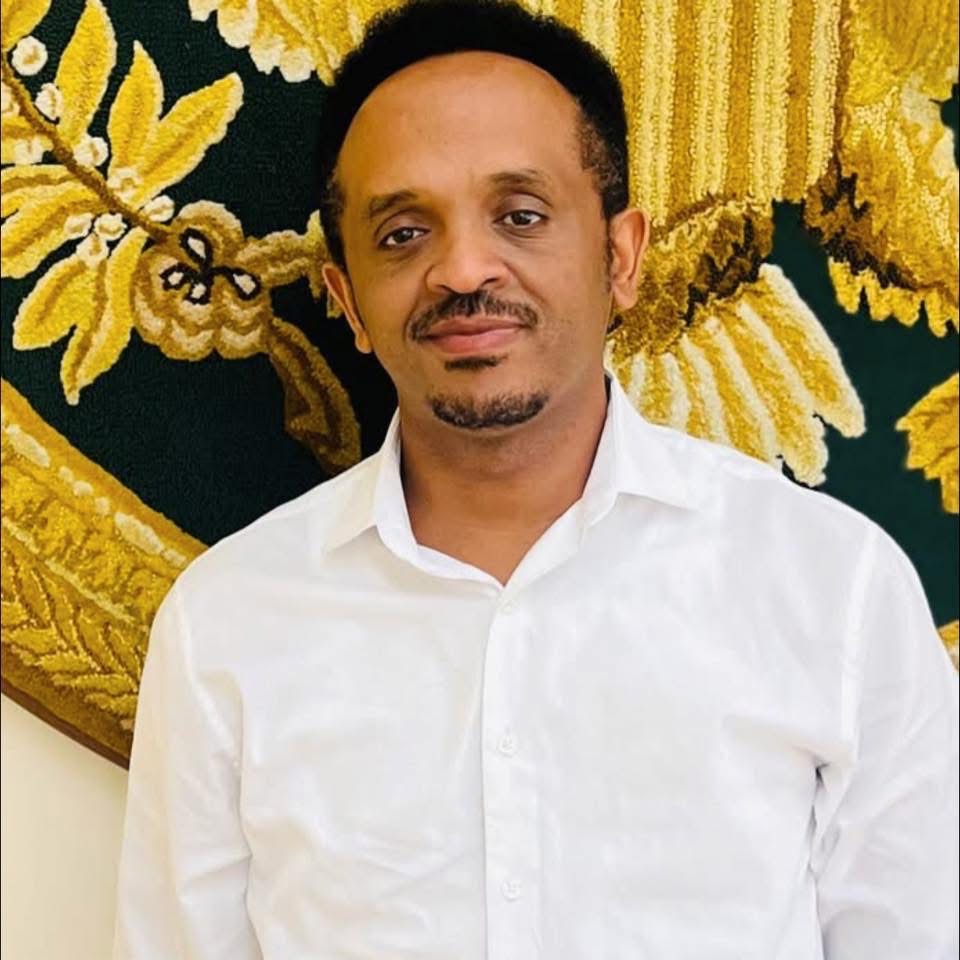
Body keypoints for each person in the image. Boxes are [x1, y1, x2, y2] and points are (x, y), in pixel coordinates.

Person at [113, 1, 959, 956]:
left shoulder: (835, 591)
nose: (463, 269)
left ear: (622, 256)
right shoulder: (227, 624)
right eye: (403, 233)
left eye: (520, 216)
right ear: (345, 299)